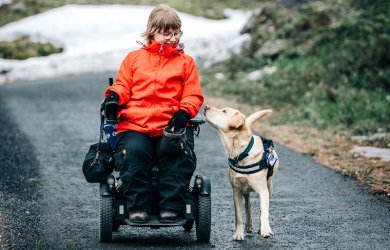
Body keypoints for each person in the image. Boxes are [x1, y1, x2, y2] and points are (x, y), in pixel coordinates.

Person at [102, 4, 204, 223]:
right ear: (152, 32)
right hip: (135, 125)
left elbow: (193, 94)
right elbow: (122, 85)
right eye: (167, 33)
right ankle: (137, 207)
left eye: (176, 33)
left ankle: (171, 207)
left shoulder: (186, 63)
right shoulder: (134, 59)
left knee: (175, 156)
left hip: (171, 124)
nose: (172, 38)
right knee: (133, 153)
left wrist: (184, 113)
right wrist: (113, 97)